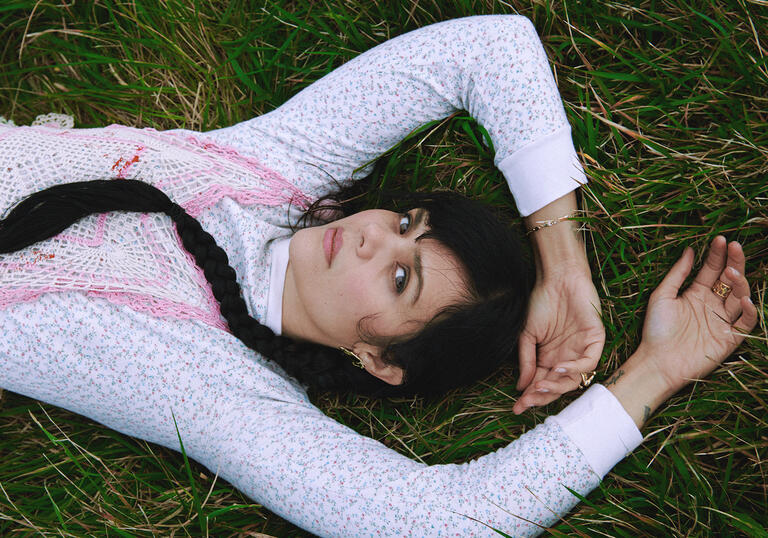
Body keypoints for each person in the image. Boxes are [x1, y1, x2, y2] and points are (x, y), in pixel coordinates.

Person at [0, 15, 757, 536]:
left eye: (401, 280)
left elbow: (446, 520)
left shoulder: (231, 398)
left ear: (381, 360)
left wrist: (652, 374)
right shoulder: (274, 171)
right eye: (404, 226)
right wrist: (564, 266)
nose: (369, 238)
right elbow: (493, 49)